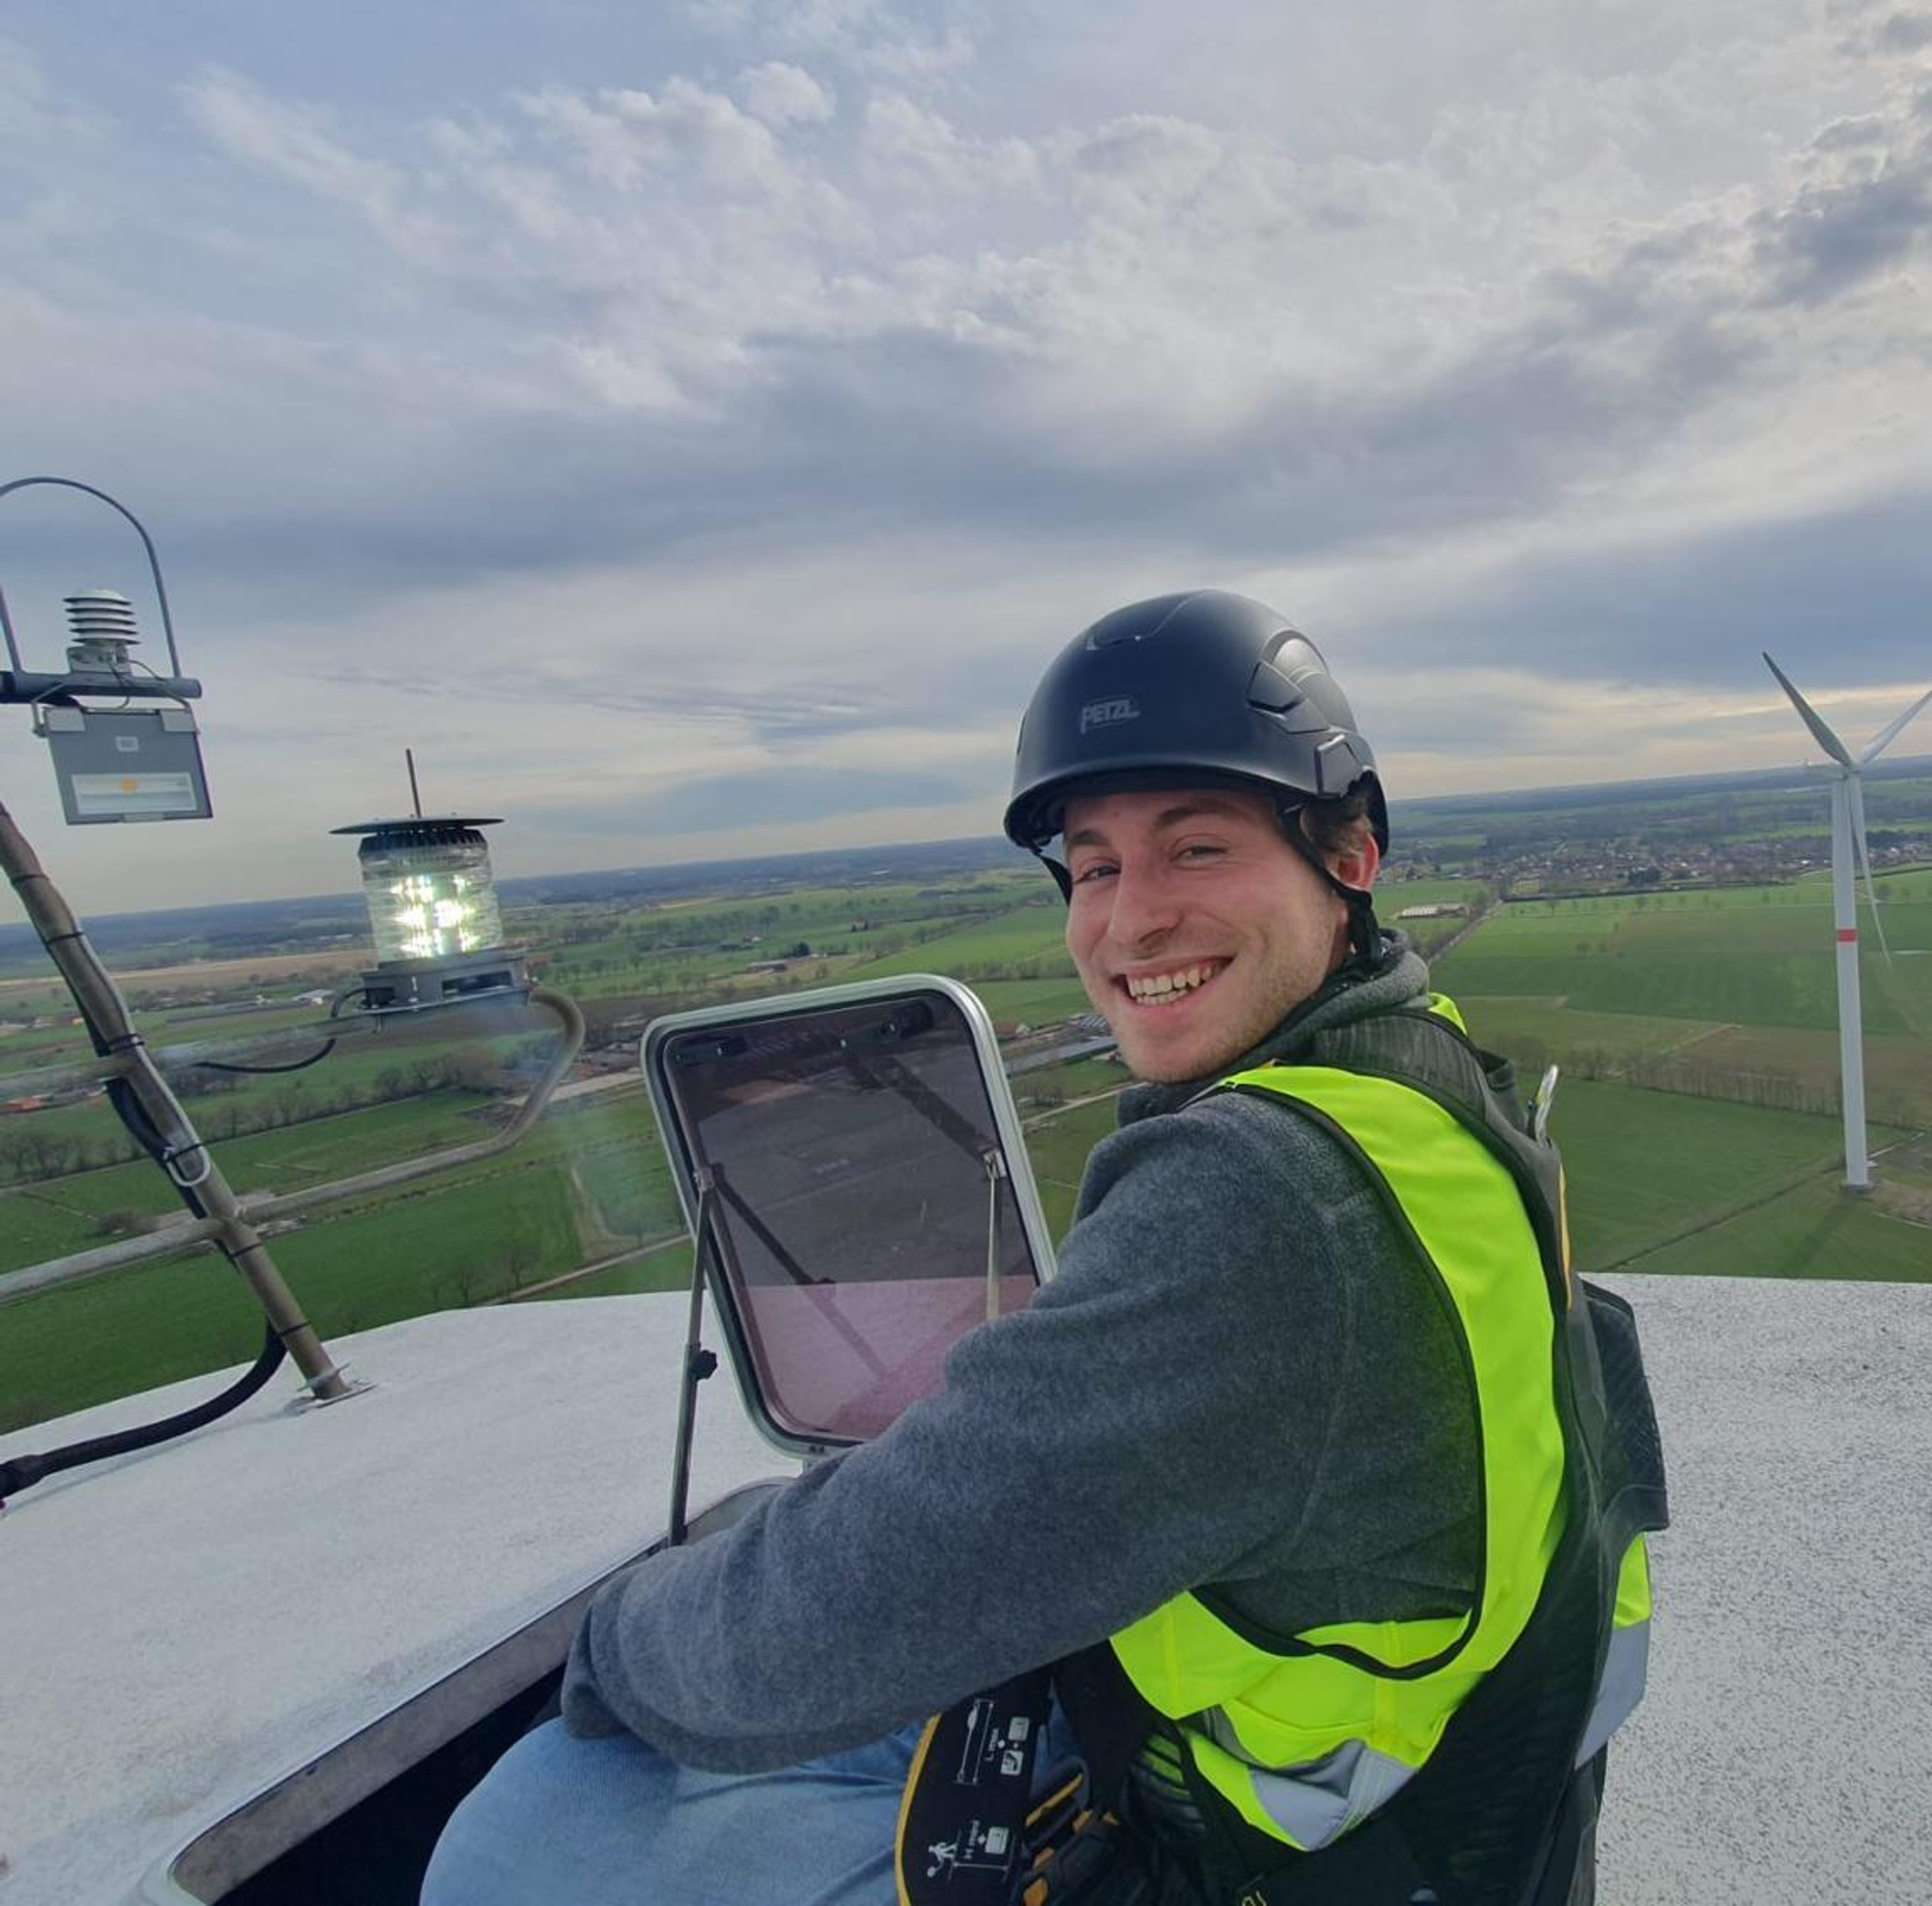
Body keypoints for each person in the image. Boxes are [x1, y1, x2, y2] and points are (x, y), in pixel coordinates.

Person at [424, 589, 1660, 1906]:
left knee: (525, 1836)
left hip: (1277, 1856)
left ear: (1348, 854)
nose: (1129, 923)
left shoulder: (1265, 1197)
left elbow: (867, 1589)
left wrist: (619, 1645)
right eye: (1095, 865)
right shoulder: (1418, 1073)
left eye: (1195, 850)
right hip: (1472, 1805)